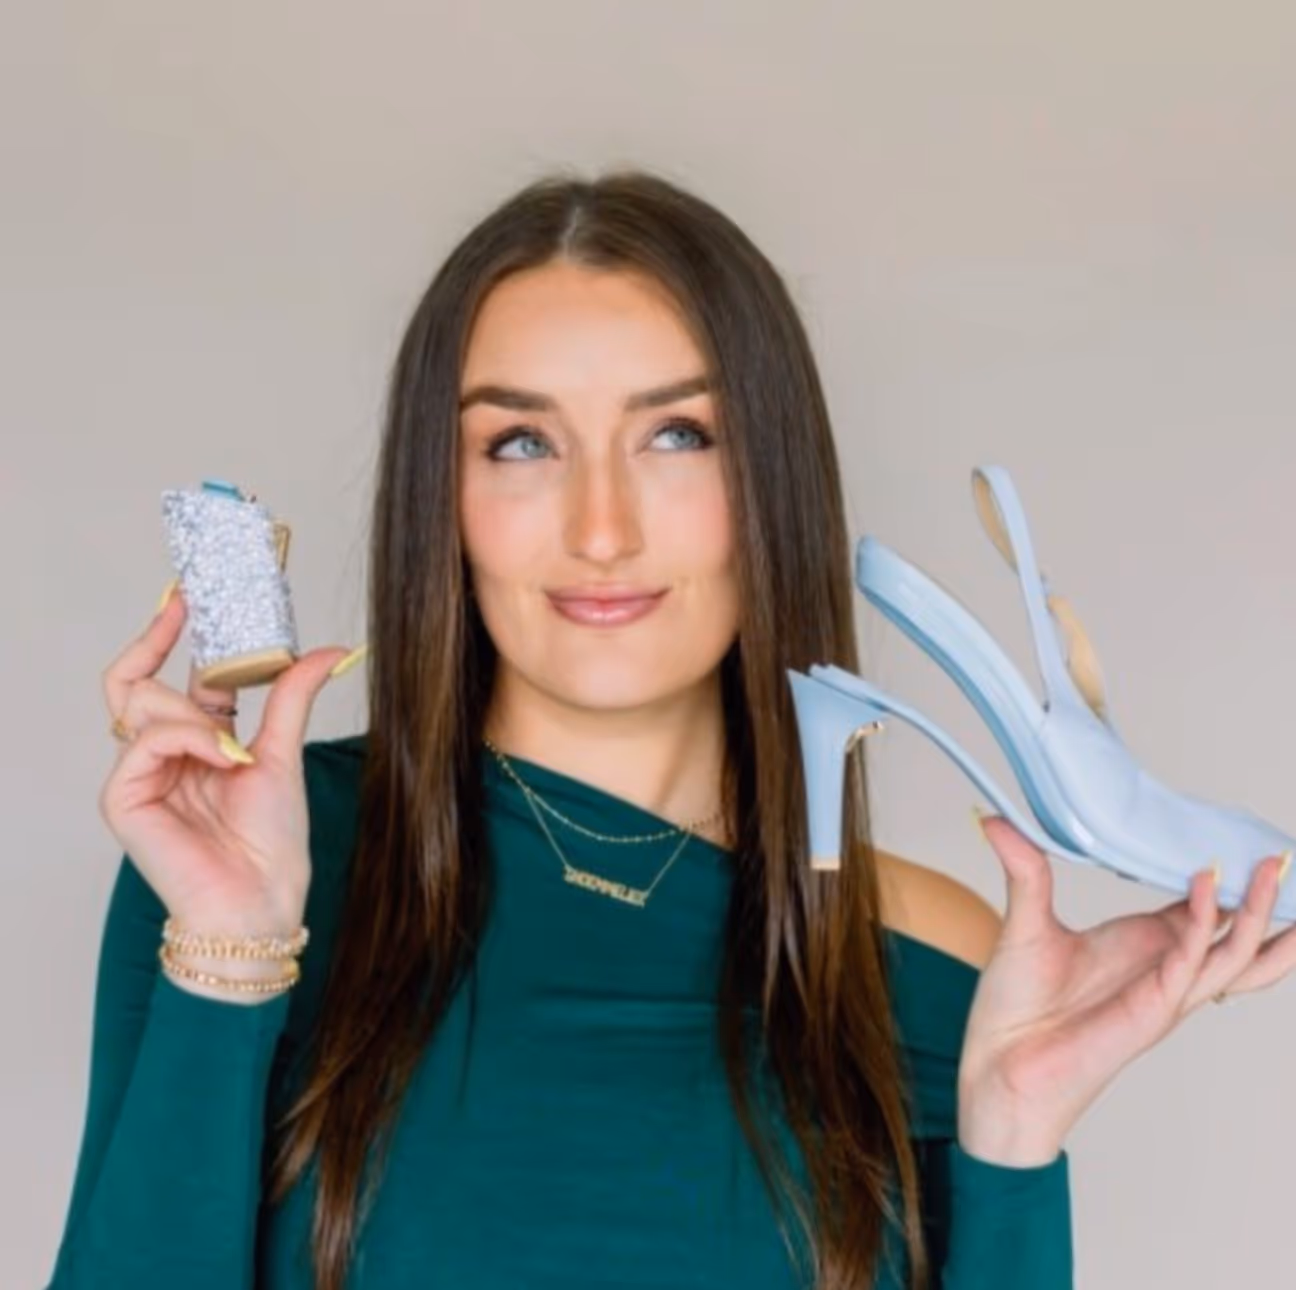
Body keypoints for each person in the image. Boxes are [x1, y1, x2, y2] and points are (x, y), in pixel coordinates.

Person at [46, 170, 1295, 1290]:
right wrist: (228, 953)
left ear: (771, 486)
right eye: (522, 442)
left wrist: (1016, 1149)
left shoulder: (922, 945)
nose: (601, 528)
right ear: (449, 497)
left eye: (678, 435)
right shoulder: (267, 857)